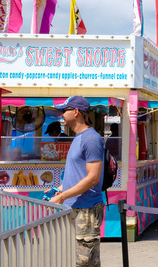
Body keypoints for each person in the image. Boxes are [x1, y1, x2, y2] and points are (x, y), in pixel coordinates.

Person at [49, 96, 104, 267]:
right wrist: (59, 189)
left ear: (76, 112)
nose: (61, 115)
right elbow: (79, 174)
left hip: (86, 210)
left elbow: (93, 177)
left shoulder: (91, 139)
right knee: (75, 260)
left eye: (64, 111)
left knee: (86, 263)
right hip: (76, 208)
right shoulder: (78, 138)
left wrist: (62, 196)